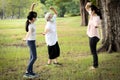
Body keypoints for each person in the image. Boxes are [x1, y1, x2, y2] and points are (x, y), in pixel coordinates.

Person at [23, 3, 38, 78]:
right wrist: (25, 37)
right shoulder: (31, 26)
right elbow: (29, 33)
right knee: (34, 57)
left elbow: (30, 12)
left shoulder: (31, 21)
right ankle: (27, 72)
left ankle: (31, 72)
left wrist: (32, 6)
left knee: (31, 57)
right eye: (35, 17)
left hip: (32, 41)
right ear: (32, 19)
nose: (36, 18)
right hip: (30, 42)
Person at [85, 2, 102, 70]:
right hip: (91, 35)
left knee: (93, 52)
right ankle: (95, 65)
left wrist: (97, 25)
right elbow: (86, 8)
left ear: (93, 11)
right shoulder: (92, 14)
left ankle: (95, 66)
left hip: (94, 37)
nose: (90, 11)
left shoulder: (96, 17)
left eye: (91, 10)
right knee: (93, 51)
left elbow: (96, 25)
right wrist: (88, 4)